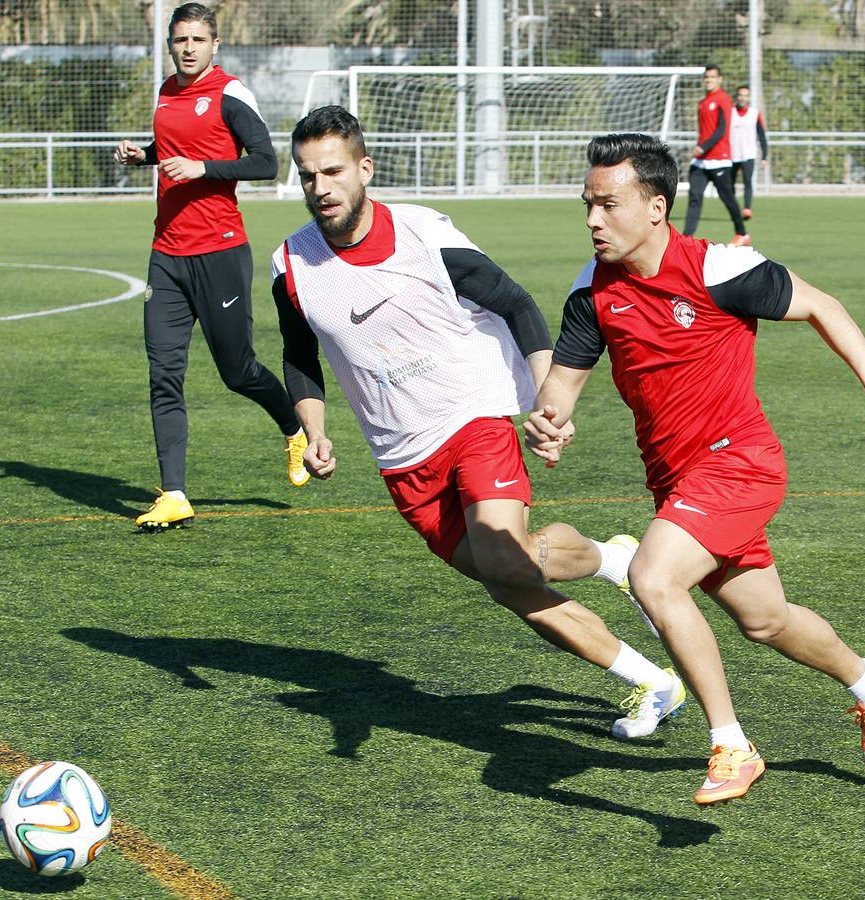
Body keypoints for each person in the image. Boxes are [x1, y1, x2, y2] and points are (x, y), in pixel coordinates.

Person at [270, 105, 684, 739]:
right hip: (401, 456)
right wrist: (314, 427)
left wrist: (551, 397)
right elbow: (299, 355)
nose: (320, 188)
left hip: (473, 414)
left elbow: (515, 302)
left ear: (364, 168)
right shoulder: (291, 267)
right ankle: (639, 640)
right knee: (512, 581)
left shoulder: (423, 235)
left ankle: (650, 659)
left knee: (501, 557)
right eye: (306, 176)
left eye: (332, 171)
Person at [525, 133, 865, 805]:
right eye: (586, 204)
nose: (591, 219)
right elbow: (562, 382)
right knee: (765, 621)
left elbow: (822, 304)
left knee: (651, 576)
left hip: (740, 463)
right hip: (677, 484)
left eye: (606, 204)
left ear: (654, 207)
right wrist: (549, 419)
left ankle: (731, 743)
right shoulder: (591, 291)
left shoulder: (716, 270)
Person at [114, 2, 308, 531]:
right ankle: (174, 493)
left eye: (198, 39)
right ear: (171, 44)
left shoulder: (230, 93)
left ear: (215, 43)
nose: (188, 48)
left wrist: (203, 168)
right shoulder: (165, 92)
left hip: (220, 253)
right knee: (163, 375)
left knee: (236, 371)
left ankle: (293, 426)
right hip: (166, 256)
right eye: (180, 40)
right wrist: (146, 157)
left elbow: (266, 162)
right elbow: (175, 147)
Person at [682, 65, 748, 247]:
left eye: (712, 77)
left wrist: (704, 147)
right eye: (706, 77)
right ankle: (686, 238)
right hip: (701, 162)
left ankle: (742, 233)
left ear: (720, 79)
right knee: (694, 197)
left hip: (719, 158)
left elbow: (721, 130)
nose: (708, 80)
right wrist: (700, 150)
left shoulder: (723, 100)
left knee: (727, 197)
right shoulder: (702, 102)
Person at [728, 85, 768, 220]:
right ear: (737, 97)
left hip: (748, 154)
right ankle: (734, 209)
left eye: (745, 95)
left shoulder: (754, 114)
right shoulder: (730, 112)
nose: (742, 98)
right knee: (729, 185)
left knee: (748, 182)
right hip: (731, 155)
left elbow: (762, 136)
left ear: (748, 98)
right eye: (740, 95)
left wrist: (764, 156)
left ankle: (747, 209)